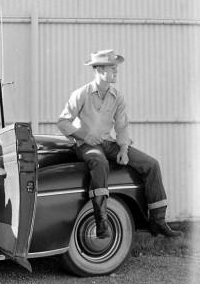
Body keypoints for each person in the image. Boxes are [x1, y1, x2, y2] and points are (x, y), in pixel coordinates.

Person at [57, 49, 181, 239]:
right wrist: (85, 135)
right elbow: (63, 122)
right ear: (98, 69)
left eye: (116, 67)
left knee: (151, 164)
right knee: (100, 163)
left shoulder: (117, 96)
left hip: (109, 144)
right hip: (86, 146)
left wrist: (123, 149)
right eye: (112, 67)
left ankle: (158, 221)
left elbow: (122, 126)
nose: (116, 71)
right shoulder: (81, 94)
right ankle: (101, 222)